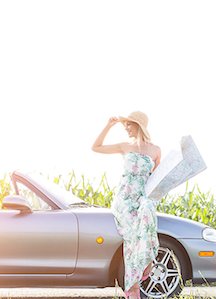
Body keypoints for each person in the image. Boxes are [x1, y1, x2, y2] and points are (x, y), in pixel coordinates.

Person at [91, 111, 161, 299]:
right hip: (124, 199)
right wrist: (108, 125)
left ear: (137, 125)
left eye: (128, 125)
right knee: (131, 239)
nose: (126, 128)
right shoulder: (124, 146)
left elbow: (157, 180)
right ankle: (132, 289)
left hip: (141, 198)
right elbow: (95, 147)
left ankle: (147, 264)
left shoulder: (155, 150)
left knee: (147, 215)